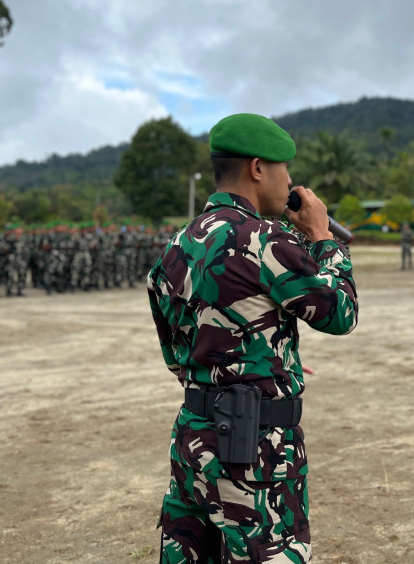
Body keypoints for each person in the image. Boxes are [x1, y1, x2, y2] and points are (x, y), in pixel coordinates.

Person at [147, 113, 359, 563]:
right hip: (255, 447)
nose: (290, 183)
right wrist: (322, 237)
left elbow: (174, 353)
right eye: (284, 169)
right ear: (258, 168)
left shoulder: (177, 245)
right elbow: (340, 314)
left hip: (193, 436)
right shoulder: (265, 240)